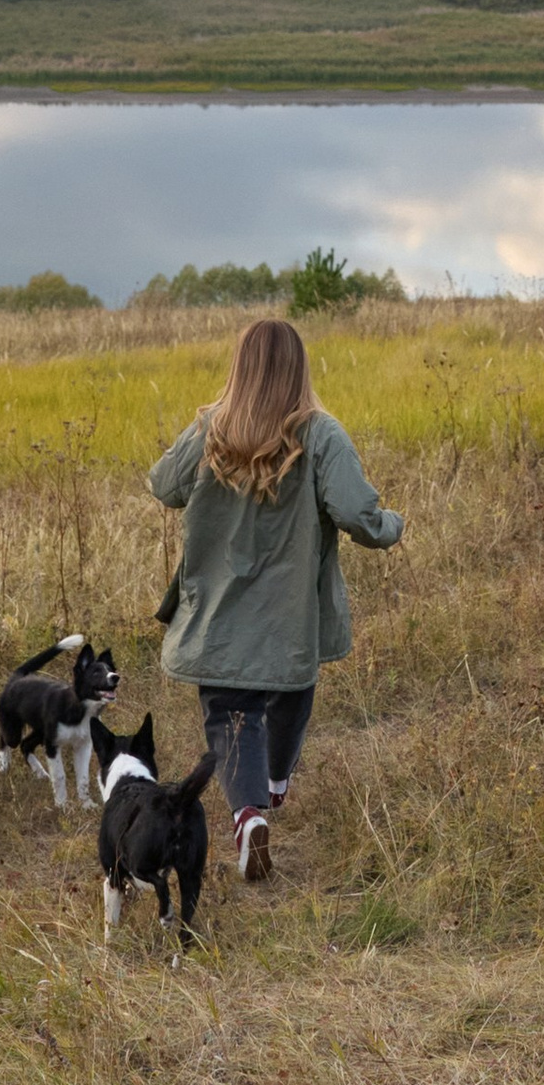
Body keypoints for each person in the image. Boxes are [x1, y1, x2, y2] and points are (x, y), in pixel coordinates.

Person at [147, 316, 403, 883]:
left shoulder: (213, 429)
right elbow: (359, 515)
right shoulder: (322, 434)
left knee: (232, 716)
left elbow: (163, 484)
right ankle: (276, 784)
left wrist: (206, 430)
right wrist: (391, 526)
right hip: (291, 614)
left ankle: (246, 816)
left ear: (240, 367)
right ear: (299, 368)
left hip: (219, 615)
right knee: (289, 696)